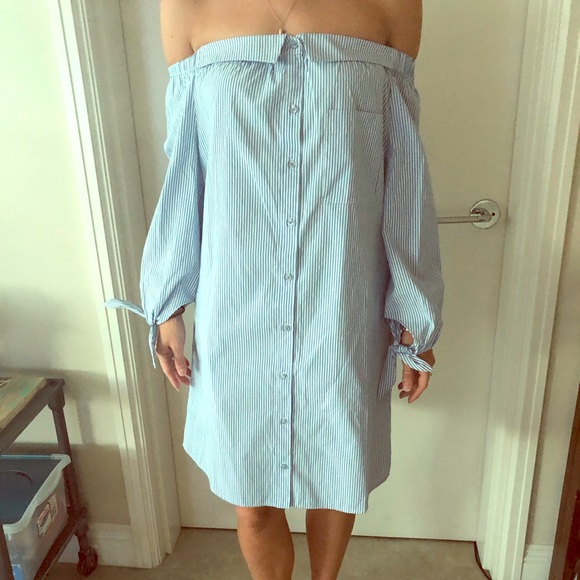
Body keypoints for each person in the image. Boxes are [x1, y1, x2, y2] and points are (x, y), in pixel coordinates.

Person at [105, 0, 444, 578]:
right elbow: (186, 168)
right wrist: (168, 304)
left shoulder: (391, 7)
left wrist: (415, 315)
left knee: (336, 477)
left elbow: (404, 174)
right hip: (237, 306)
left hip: (341, 303)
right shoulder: (187, 8)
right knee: (251, 495)